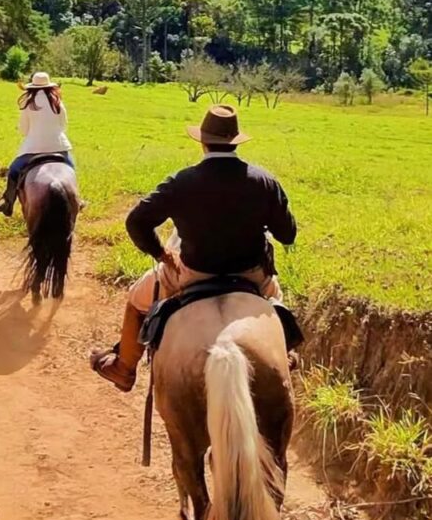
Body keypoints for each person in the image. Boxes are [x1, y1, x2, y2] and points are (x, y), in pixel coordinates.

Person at [90, 104, 297, 391]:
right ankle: (285, 354)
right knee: (276, 298)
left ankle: (124, 368)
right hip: (251, 276)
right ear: (235, 141)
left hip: (193, 274)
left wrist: (163, 254)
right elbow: (287, 235)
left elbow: (137, 221)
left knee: (136, 302)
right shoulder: (264, 181)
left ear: (202, 141)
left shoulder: (182, 181)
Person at [0, 71, 73, 217]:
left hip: (33, 148)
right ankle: (76, 200)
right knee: (71, 169)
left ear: (32, 87)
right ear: (50, 86)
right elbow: (63, 125)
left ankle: (8, 201)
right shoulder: (58, 102)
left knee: (14, 170)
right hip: (59, 146)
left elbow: (24, 130)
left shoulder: (28, 103)